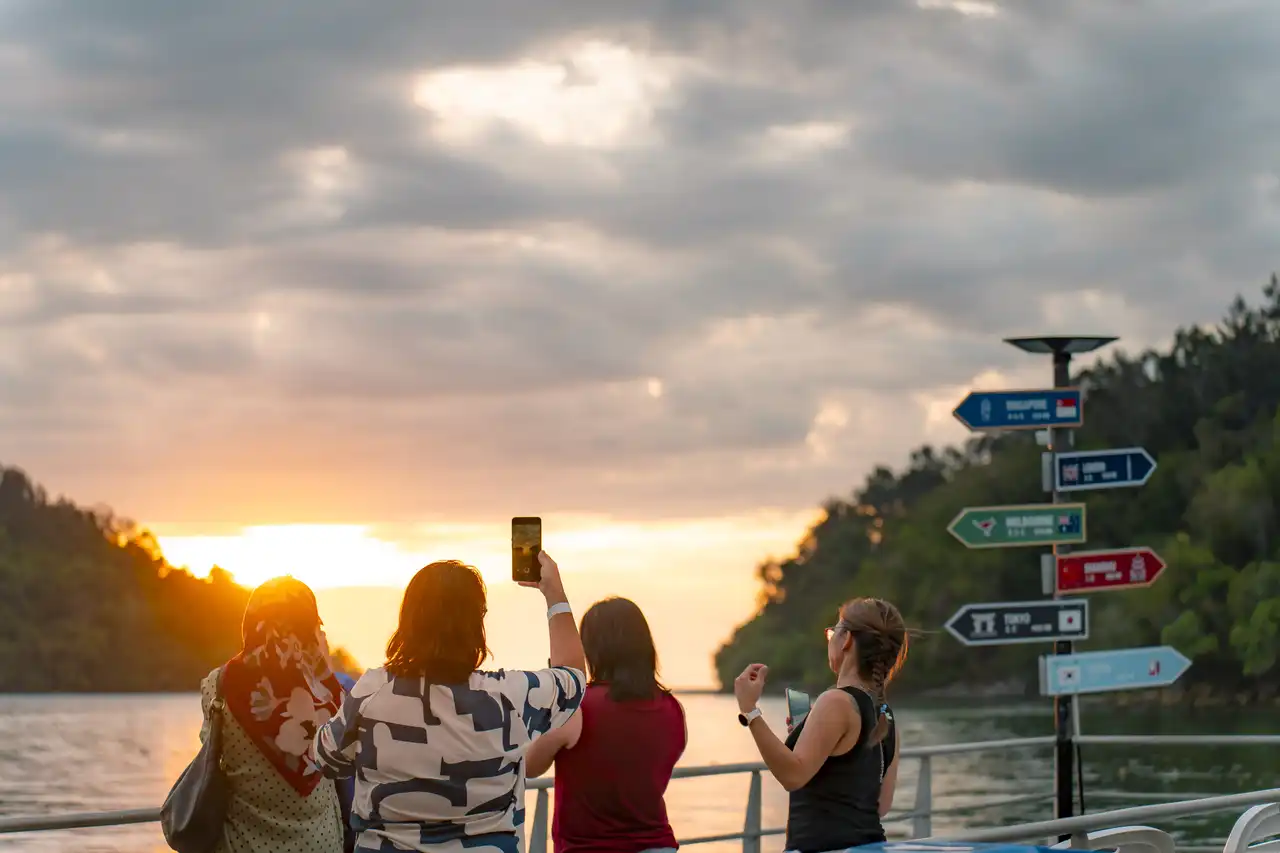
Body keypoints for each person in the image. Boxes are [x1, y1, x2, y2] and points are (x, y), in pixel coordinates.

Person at [313, 553, 586, 853]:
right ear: (476, 625)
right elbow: (573, 677)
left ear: (408, 621)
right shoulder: (509, 696)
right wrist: (554, 593)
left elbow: (326, 757)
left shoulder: (372, 691)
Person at [732, 597, 908, 853]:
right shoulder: (886, 716)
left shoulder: (836, 701)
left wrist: (750, 711)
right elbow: (881, 804)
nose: (831, 639)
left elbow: (793, 775)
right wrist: (807, 738)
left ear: (846, 639)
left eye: (832, 632)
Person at [525, 597, 686, 853]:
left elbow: (529, 766)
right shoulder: (672, 709)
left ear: (593, 649)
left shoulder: (578, 707)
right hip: (658, 846)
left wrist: (555, 698)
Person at [199, 576, 345, 853]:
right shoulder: (329, 694)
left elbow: (211, 752)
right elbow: (348, 761)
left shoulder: (217, 685)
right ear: (310, 628)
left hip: (243, 844)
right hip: (320, 844)